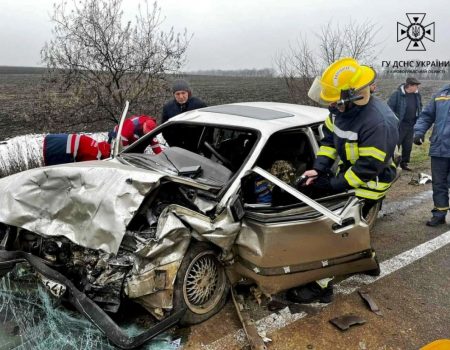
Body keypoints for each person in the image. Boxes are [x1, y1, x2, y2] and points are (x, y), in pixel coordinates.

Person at [286, 57, 399, 304]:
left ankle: (320, 286)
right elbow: (328, 141)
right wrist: (319, 168)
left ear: (353, 95)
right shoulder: (339, 111)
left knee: (335, 232)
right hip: (351, 176)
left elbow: (368, 168)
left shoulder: (378, 122)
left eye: (335, 101)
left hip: (370, 184)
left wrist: (334, 185)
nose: (332, 105)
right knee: (352, 226)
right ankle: (368, 262)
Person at [413, 83, 450, 227]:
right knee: (439, 183)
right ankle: (439, 214)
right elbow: (427, 115)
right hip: (439, 148)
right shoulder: (441, 94)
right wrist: (419, 132)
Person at [387, 77, 423, 171]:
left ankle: (404, 163)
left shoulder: (417, 95)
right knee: (396, 145)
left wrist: (418, 117)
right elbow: (389, 108)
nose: (417, 88)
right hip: (400, 124)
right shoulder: (397, 94)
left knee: (408, 146)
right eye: (415, 86)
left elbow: (420, 106)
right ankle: (393, 164)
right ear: (409, 86)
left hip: (411, 124)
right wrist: (396, 119)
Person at [43, 133, 111, 166]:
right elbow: (83, 169)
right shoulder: (95, 156)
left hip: (57, 140)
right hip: (63, 150)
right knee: (53, 172)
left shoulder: (95, 144)